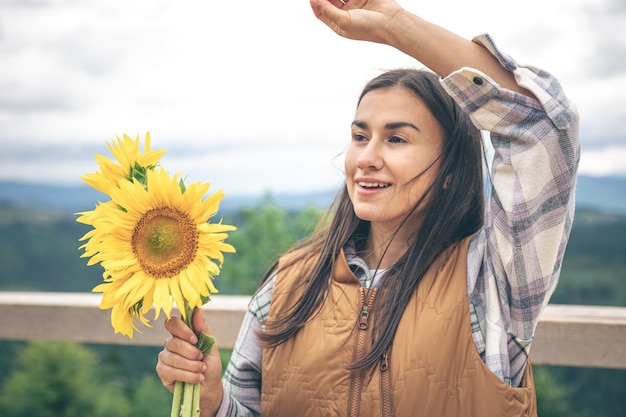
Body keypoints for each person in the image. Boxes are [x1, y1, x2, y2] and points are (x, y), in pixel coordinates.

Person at [156, 0, 580, 416]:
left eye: (396, 139)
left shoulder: (491, 284)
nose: (366, 158)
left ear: (450, 169)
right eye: (361, 136)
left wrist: (393, 24)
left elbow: (540, 126)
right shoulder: (288, 286)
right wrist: (212, 404)